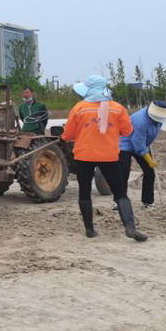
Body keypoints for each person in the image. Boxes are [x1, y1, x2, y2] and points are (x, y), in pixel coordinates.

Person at [61, 75, 147, 241]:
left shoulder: (79, 108)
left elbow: (68, 135)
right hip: (109, 156)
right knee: (120, 193)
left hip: (84, 156)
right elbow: (127, 131)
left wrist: (66, 136)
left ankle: (89, 230)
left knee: (84, 193)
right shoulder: (117, 108)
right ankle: (130, 228)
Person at [119, 100, 166, 209]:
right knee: (124, 171)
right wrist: (149, 160)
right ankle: (119, 200)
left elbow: (148, 135)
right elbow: (138, 143)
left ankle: (148, 201)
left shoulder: (159, 119)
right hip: (125, 143)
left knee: (150, 171)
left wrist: (148, 143)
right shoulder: (140, 121)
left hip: (142, 143)